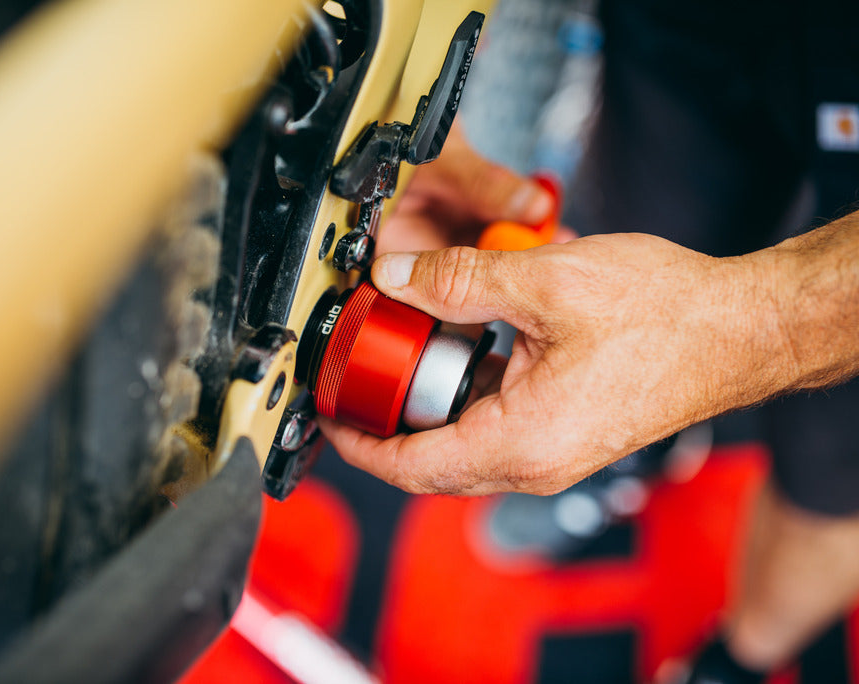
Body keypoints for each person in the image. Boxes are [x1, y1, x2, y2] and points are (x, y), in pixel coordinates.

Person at [320, 1, 859, 681]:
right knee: (640, 240)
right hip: (685, 29)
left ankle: (739, 658)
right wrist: (481, 151)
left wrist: (754, 329)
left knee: (833, 461)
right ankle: (635, 446)